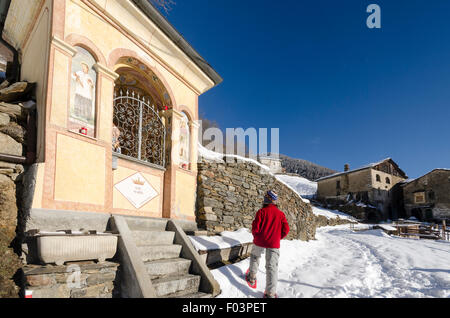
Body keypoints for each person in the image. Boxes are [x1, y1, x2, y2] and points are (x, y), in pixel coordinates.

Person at [246, 190, 290, 298]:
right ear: (275, 201)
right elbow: (286, 229)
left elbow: (255, 228)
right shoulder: (280, 214)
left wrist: (256, 236)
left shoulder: (261, 212)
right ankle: (270, 293)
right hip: (273, 243)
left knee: (255, 257)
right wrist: (277, 238)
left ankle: (252, 277)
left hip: (260, 241)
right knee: (272, 267)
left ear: (266, 200)